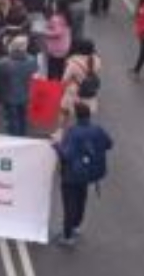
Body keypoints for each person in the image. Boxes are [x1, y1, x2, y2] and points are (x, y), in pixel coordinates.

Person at [54, 102, 113, 246]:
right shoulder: (97, 129)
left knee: (69, 205)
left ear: (76, 115)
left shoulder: (73, 132)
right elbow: (109, 144)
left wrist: (56, 145)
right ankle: (77, 226)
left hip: (71, 175)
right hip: (87, 174)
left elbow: (66, 155)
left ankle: (67, 236)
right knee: (81, 199)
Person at [0, 36, 38, 137]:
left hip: (9, 96)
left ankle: (14, 140)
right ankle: (22, 138)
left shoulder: (3, 63)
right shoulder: (32, 61)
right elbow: (35, 77)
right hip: (26, 95)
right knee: (23, 119)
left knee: (12, 122)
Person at [43, 0, 73, 80]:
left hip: (55, 48)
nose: (53, 5)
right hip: (64, 46)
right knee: (61, 70)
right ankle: (60, 88)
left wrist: (45, 32)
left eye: (54, 4)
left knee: (52, 71)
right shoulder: (66, 16)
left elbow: (57, 32)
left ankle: (52, 89)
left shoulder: (56, 19)